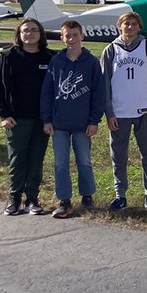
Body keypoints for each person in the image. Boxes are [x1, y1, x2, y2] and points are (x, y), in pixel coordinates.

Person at [100, 12, 147, 213]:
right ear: (119, 26)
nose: (129, 27)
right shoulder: (111, 50)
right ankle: (120, 195)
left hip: (144, 112)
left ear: (139, 26)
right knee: (118, 156)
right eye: (126, 24)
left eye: (134, 24)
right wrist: (109, 112)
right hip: (119, 113)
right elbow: (104, 84)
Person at [41, 20, 105, 219]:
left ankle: (87, 196)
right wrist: (46, 119)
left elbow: (98, 93)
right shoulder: (56, 62)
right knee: (61, 163)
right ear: (62, 38)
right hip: (59, 123)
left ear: (82, 36)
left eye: (75, 35)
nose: (72, 39)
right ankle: (64, 200)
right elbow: (47, 92)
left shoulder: (91, 62)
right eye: (67, 36)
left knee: (84, 161)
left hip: (83, 124)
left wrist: (94, 120)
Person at [0, 17, 55, 215]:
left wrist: (50, 117)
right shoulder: (7, 57)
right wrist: (4, 114)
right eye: (26, 30)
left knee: (36, 159)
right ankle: (14, 198)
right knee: (17, 159)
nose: (30, 33)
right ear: (19, 34)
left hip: (42, 120)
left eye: (34, 30)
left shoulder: (50, 58)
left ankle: (32, 199)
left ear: (41, 34)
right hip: (16, 119)